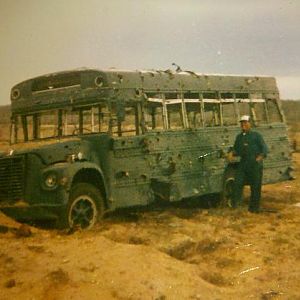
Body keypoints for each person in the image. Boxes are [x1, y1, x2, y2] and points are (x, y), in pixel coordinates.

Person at [229, 115, 268, 213]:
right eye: (242, 123)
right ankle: (236, 207)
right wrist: (231, 154)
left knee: (255, 187)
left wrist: (259, 158)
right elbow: (236, 150)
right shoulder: (239, 137)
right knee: (237, 183)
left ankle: (254, 209)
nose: (243, 125)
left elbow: (265, 149)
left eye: (245, 123)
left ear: (250, 124)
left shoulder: (256, 136)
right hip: (243, 164)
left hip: (255, 165)